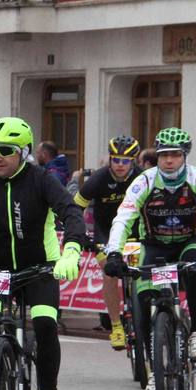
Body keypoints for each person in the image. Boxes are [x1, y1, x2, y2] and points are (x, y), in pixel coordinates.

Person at [0, 117, 87, 390]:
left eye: (6, 150)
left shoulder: (42, 180)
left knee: (44, 323)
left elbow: (71, 212)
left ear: (23, 152)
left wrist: (72, 250)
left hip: (40, 268)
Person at [103, 127, 196, 390]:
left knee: (194, 270)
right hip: (154, 244)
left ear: (185, 156)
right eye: (163, 155)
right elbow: (124, 217)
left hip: (190, 241)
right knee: (143, 298)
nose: (169, 160)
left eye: (175, 155)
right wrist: (114, 253)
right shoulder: (144, 181)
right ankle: (153, 369)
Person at [73, 136, 142, 350]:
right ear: (110, 159)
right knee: (109, 273)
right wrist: (79, 234)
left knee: (142, 273)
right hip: (106, 234)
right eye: (116, 160)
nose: (120, 165)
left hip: (135, 233)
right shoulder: (99, 178)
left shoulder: (142, 178)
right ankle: (116, 326)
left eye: (126, 161)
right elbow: (75, 208)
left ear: (133, 161)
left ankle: (145, 312)